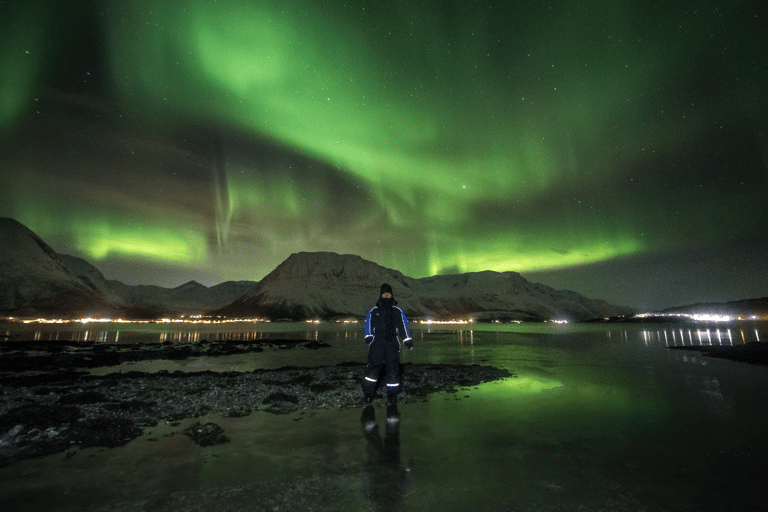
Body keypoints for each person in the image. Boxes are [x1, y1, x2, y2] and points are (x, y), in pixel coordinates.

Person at [362, 283, 413, 403]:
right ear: (380, 295)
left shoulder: (397, 311)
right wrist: (368, 337)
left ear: (391, 295)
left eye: (388, 294)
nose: (386, 296)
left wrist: (408, 341)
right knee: (373, 367)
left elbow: (402, 327)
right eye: (384, 294)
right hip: (377, 343)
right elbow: (368, 325)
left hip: (392, 343)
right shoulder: (374, 311)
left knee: (393, 368)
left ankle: (392, 394)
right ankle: (368, 392)